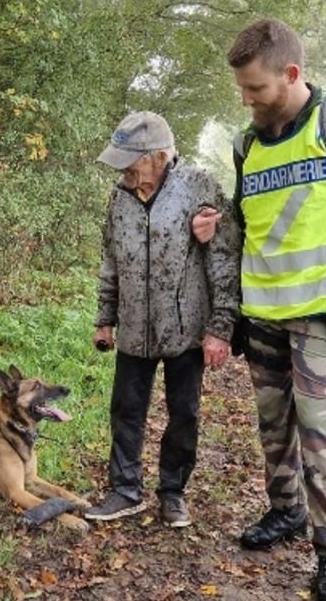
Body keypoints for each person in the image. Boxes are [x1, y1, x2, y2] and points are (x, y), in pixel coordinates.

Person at [192, 19, 326, 601]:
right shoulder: (247, 144)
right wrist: (221, 224)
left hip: (323, 314)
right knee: (274, 429)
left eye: (256, 89)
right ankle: (285, 512)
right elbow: (252, 214)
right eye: (240, 89)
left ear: (291, 75)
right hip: (263, 315)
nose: (246, 100)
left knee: (322, 435)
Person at [85, 110, 241, 529]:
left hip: (186, 328)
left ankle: (173, 492)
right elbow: (110, 262)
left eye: (129, 161)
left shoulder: (198, 187)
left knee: (184, 412)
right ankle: (125, 489)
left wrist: (220, 328)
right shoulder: (119, 198)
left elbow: (224, 259)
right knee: (125, 409)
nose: (123, 170)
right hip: (134, 325)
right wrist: (105, 318)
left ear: (156, 157)